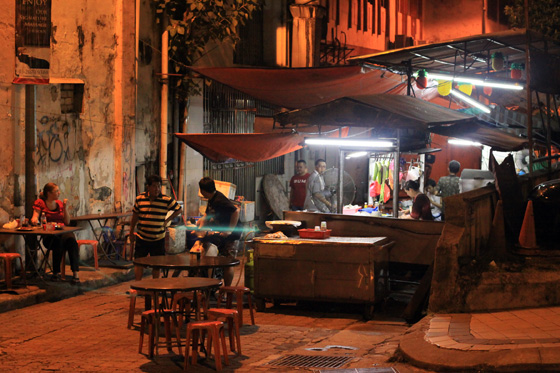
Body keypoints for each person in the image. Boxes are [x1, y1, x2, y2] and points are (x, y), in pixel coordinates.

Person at [129, 175, 182, 281]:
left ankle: (155, 286)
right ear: (148, 187)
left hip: (158, 238)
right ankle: (138, 286)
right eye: (154, 186)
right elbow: (135, 216)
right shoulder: (140, 199)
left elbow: (178, 209)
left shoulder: (165, 200)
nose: (157, 189)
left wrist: (167, 220)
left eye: (158, 186)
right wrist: (131, 232)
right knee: (139, 263)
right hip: (142, 237)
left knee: (156, 264)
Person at [31, 183, 81, 283]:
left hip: (61, 230)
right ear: (49, 193)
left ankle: (75, 273)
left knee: (72, 241)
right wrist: (35, 221)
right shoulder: (40, 203)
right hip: (49, 235)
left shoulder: (59, 203)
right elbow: (35, 216)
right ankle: (56, 273)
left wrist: (65, 207)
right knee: (58, 241)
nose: (59, 193)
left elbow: (67, 222)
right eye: (56, 191)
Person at [197, 177, 240, 286]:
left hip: (232, 236)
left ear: (203, 191)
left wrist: (229, 230)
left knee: (228, 263)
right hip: (221, 235)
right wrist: (200, 227)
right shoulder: (212, 199)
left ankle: (227, 290)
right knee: (217, 260)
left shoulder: (219, 200)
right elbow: (207, 215)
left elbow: (236, 211)